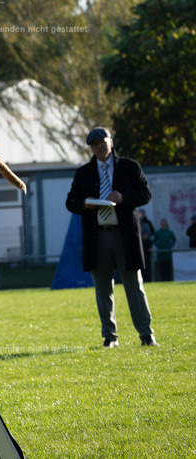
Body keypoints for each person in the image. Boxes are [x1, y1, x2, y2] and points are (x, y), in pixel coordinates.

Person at [65, 126, 157, 347]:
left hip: (125, 236)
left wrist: (123, 197)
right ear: (90, 148)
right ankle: (110, 336)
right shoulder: (84, 173)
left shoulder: (129, 167)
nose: (99, 147)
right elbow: (71, 202)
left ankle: (146, 334)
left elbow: (145, 194)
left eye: (102, 142)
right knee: (103, 289)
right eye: (94, 144)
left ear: (111, 142)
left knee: (134, 286)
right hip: (98, 237)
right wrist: (85, 203)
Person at [138, 210, 156, 281]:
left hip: (146, 247)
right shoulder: (135, 224)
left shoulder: (146, 224)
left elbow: (151, 232)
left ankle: (148, 279)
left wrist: (146, 236)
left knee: (147, 265)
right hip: (140, 245)